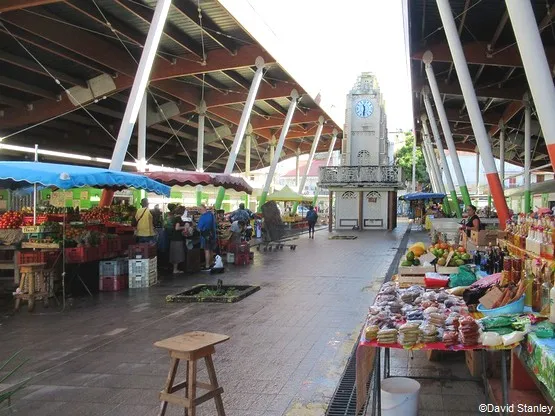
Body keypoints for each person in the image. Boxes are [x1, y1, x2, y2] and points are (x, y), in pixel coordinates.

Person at [197, 204, 217, 270]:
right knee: (211, 250)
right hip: (213, 235)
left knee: (207, 250)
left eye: (198, 209)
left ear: (200, 210)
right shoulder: (211, 215)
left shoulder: (203, 217)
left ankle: (207, 265)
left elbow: (199, 228)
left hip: (206, 236)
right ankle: (211, 263)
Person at [169, 206, 186, 274]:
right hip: (177, 238)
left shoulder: (175, 217)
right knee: (177, 254)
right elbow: (177, 228)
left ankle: (175, 269)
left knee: (174, 254)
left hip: (174, 238)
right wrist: (185, 227)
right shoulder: (178, 218)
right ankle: (175, 270)